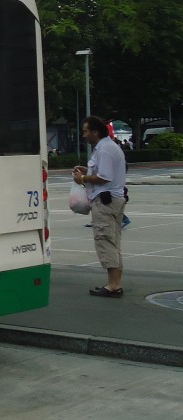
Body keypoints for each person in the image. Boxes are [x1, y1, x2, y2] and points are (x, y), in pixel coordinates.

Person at [73, 115, 128, 297]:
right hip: (114, 199)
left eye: (86, 131)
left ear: (95, 132)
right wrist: (88, 171)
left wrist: (83, 179)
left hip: (106, 202)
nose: (83, 135)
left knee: (105, 241)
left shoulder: (104, 149)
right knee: (113, 242)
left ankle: (113, 286)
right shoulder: (109, 147)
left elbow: (104, 176)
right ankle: (115, 283)